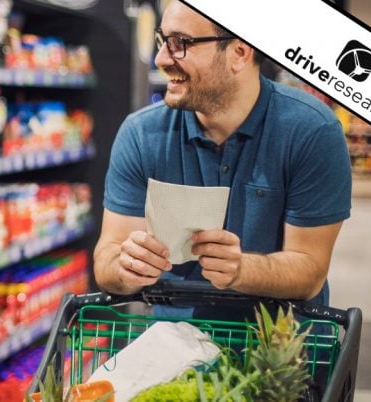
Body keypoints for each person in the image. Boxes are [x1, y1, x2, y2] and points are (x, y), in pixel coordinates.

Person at [93, 1, 352, 317]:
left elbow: (310, 270)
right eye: (163, 41)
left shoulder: (311, 132)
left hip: (283, 350)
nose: (161, 59)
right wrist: (125, 268)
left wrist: (242, 269)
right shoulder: (141, 134)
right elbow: (106, 260)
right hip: (173, 350)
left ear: (239, 54)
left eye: (181, 44)